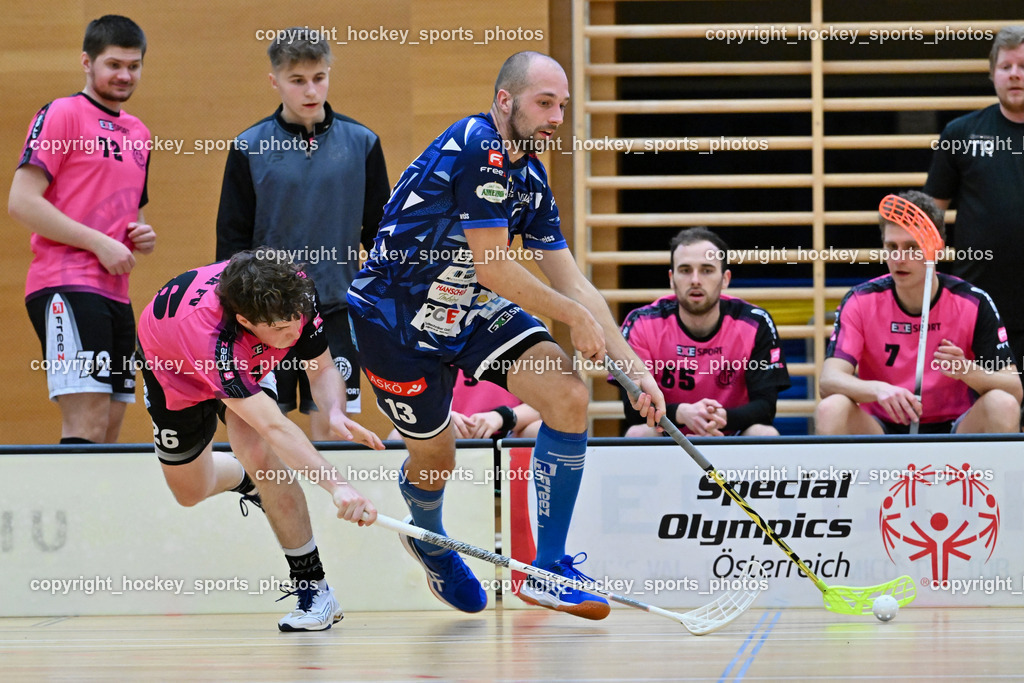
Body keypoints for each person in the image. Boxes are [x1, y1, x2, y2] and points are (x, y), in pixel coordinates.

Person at [347, 51, 665, 620]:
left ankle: (548, 569)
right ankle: (428, 538)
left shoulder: (532, 176)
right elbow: (495, 266)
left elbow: (572, 282)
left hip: (466, 309)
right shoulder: (476, 145)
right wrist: (574, 318)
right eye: (544, 103)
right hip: (394, 322)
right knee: (435, 459)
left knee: (568, 394)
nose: (555, 117)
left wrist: (633, 371)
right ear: (504, 101)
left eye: (562, 106)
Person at [136, 249, 383, 631]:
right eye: (281, 331)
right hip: (172, 366)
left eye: (296, 322)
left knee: (258, 451)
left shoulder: (295, 290)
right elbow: (278, 427)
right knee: (189, 491)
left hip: (244, 357)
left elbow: (320, 368)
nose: (294, 333)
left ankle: (313, 589)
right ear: (245, 321)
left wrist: (334, 411)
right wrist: (339, 487)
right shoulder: (214, 341)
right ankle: (242, 477)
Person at [216, 27, 390, 439]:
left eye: (319, 77)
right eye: (297, 80)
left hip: (334, 308)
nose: (311, 90)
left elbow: (380, 234)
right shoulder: (249, 147)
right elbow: (231, 243)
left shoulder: (362, 143)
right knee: (263, 429)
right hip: (263, 315)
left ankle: (329, 502)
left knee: (331, 427)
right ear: (275, 81)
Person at [8, 15, 156, 444]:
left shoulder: (139, 133)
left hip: (116, 294)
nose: (125, 75)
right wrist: (98, 242)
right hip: (66, 286)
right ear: (87, 63)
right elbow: (22, 202)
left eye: (134, 65)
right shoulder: (62, 114)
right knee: (85, 423)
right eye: (114, 64)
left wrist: (140, 234)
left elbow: (131, 213)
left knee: (109, 427)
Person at [816, 191, 1021, 435]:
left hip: (955, 430)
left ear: (936, 249)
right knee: (831, 408)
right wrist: (879, 390)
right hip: (880, 428)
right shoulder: (860, 301)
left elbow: (1014, 389)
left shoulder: (973, 302)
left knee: (1003, 404)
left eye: (912, 247)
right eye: (892, 246)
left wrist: (967, 371)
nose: (899, 259)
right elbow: (829, 381)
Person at [618, 227, 790, 437]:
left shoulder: (755, 323)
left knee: (765, 433)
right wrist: (683, 413)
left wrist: (719, 418)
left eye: (707, 270)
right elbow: (632, 408)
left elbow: (765, 407)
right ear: (672, 278)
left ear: (725, 278)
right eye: (685, 270)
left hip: (728, 435)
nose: (695, 280)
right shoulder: (642, 323)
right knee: (638, 433)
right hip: (669, 436)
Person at [924, 26, 1024, 370]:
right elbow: (931, 214)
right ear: (992, 73)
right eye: (1006, 66)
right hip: (979, 303)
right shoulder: (961, 133)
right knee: (994, 407)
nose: (1015, 75)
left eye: (1023, 66)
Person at [387, 369, 542, 441]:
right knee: (397, 438)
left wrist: (502, 417)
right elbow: (408, 403)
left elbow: (551, 404)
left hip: (510, 432)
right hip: (446, 436)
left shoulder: (528, 326)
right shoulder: (423, 331)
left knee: (542, 430)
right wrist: (439, 420)